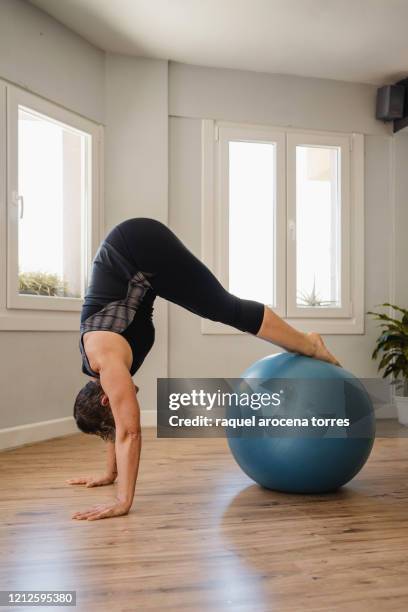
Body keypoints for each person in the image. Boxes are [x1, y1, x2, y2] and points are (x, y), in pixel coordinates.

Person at [70, 218, 340, 521]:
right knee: (218, 307)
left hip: (136, 245)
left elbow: (129, 431)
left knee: (222, 307)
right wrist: (109, 474)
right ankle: (304, 341)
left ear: (106, 398)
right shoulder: (101, 372)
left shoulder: (106, 360)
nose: (120, 414)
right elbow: (116, 425)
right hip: (137, 260)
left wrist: (123, 501)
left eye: (112, 415)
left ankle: (309, 343)